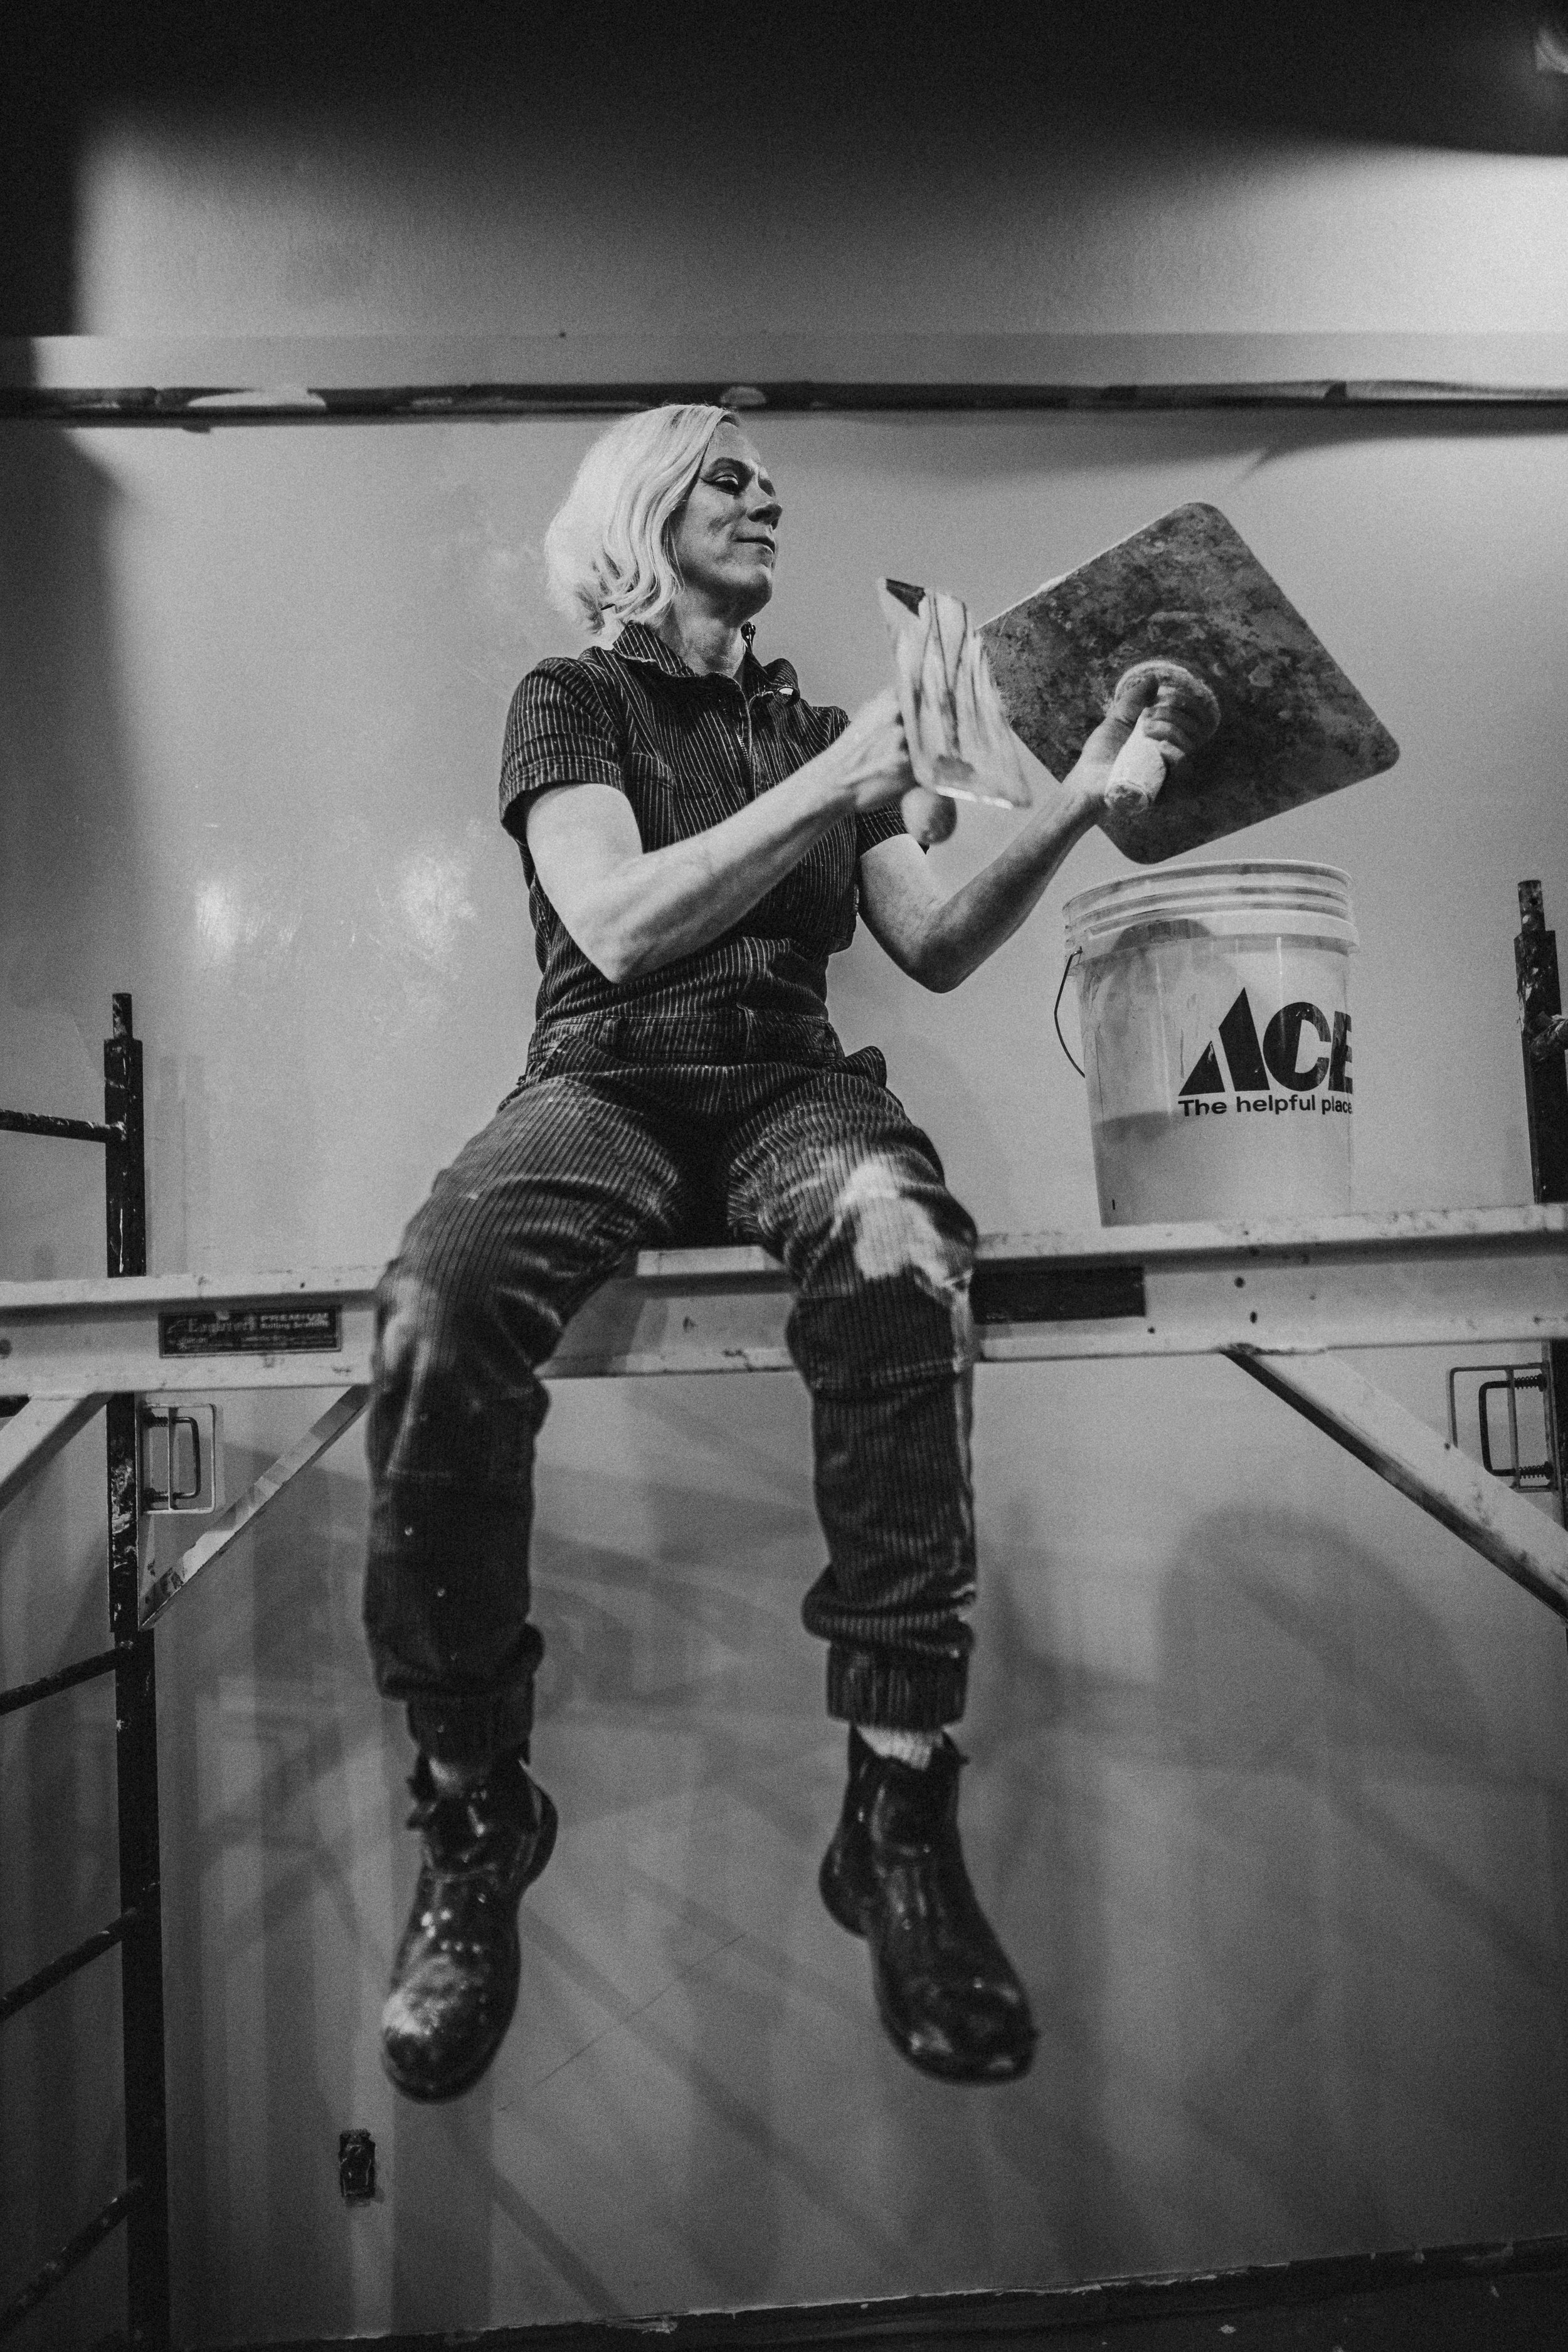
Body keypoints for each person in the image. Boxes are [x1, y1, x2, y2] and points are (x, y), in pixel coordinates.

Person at [363, 403, 1211, 2103]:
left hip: (783, 1088)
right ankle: (472, 1808)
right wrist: (848, 772)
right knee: (440, 1307)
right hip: (599, 1085)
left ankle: (896, 1794)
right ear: (639, 509)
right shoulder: (575, 699)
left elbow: (936, 936)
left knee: (900, 1242)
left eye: (767, 476)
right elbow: (610, 921)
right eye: (722, 470)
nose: (764, 494)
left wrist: (1083, 793)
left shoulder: (815, 725)